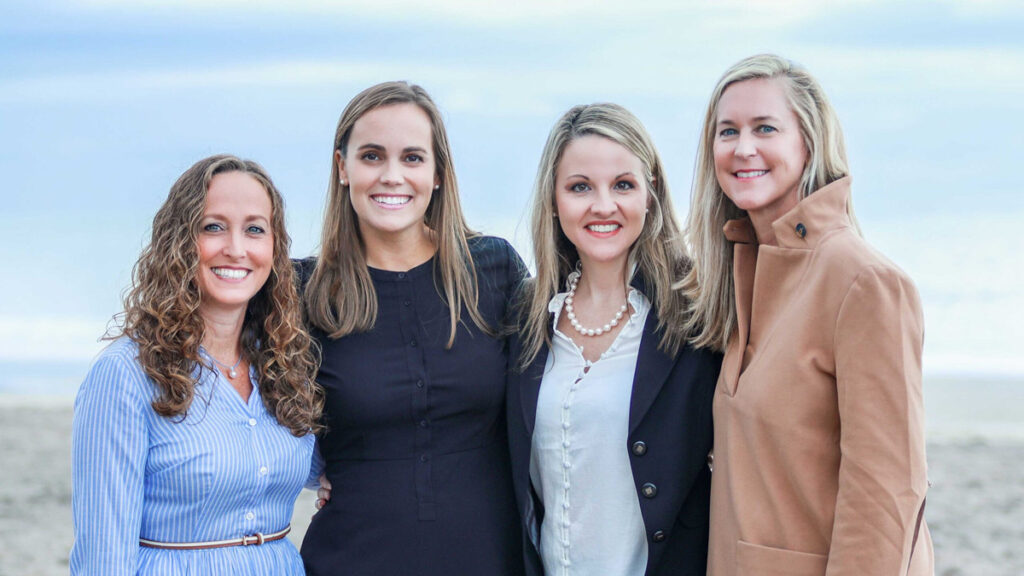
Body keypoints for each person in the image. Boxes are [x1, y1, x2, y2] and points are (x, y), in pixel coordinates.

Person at [678, 54, 933, 575]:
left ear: (808, 141)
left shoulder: (864, 283)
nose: (743, 147)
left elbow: (887, 490)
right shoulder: (736, 277)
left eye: (765, 128)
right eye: (728, 131)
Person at [298, 81, 526, 575]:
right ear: (343, 167)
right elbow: (238, 393)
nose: (392, 176)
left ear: (439, 172)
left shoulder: (495, 270)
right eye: (372, 156)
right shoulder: (302, 291)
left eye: (413, 158)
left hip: (490, 558)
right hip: (350, 558)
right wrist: (309, 471)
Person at [71, 154, 323, 575]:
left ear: (274, 249)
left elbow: (326, 467)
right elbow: (102, 560)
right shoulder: (124, 375)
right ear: (179, 241)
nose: (236, 248)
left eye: (255, 230)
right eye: (213, 227)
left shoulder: (284, 365)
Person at [506, 103, 721, 576]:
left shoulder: (700, 316)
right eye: (580, 186)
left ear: (651, 193)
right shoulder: (525, 321)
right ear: (554, 198)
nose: (603, 205)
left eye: (623, 185)